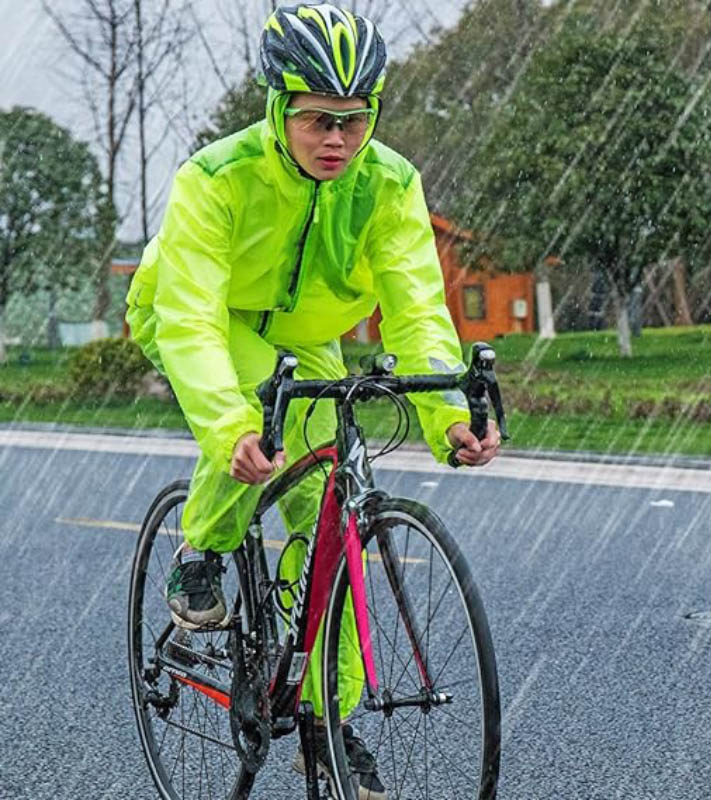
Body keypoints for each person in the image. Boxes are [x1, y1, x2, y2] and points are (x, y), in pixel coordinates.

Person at [126, 3, 500, 797]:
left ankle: (325, 722)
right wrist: (230, 425)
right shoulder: (217, 178)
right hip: (202, 313)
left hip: (307, 334)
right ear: (278, 106)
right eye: (317, 120)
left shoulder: (390, 183)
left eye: (355, 121)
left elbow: (417, 307)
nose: (337, 139)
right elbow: (190, 318)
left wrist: (451, 419)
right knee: (264, 417)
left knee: (329, 510)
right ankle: (201, 551)